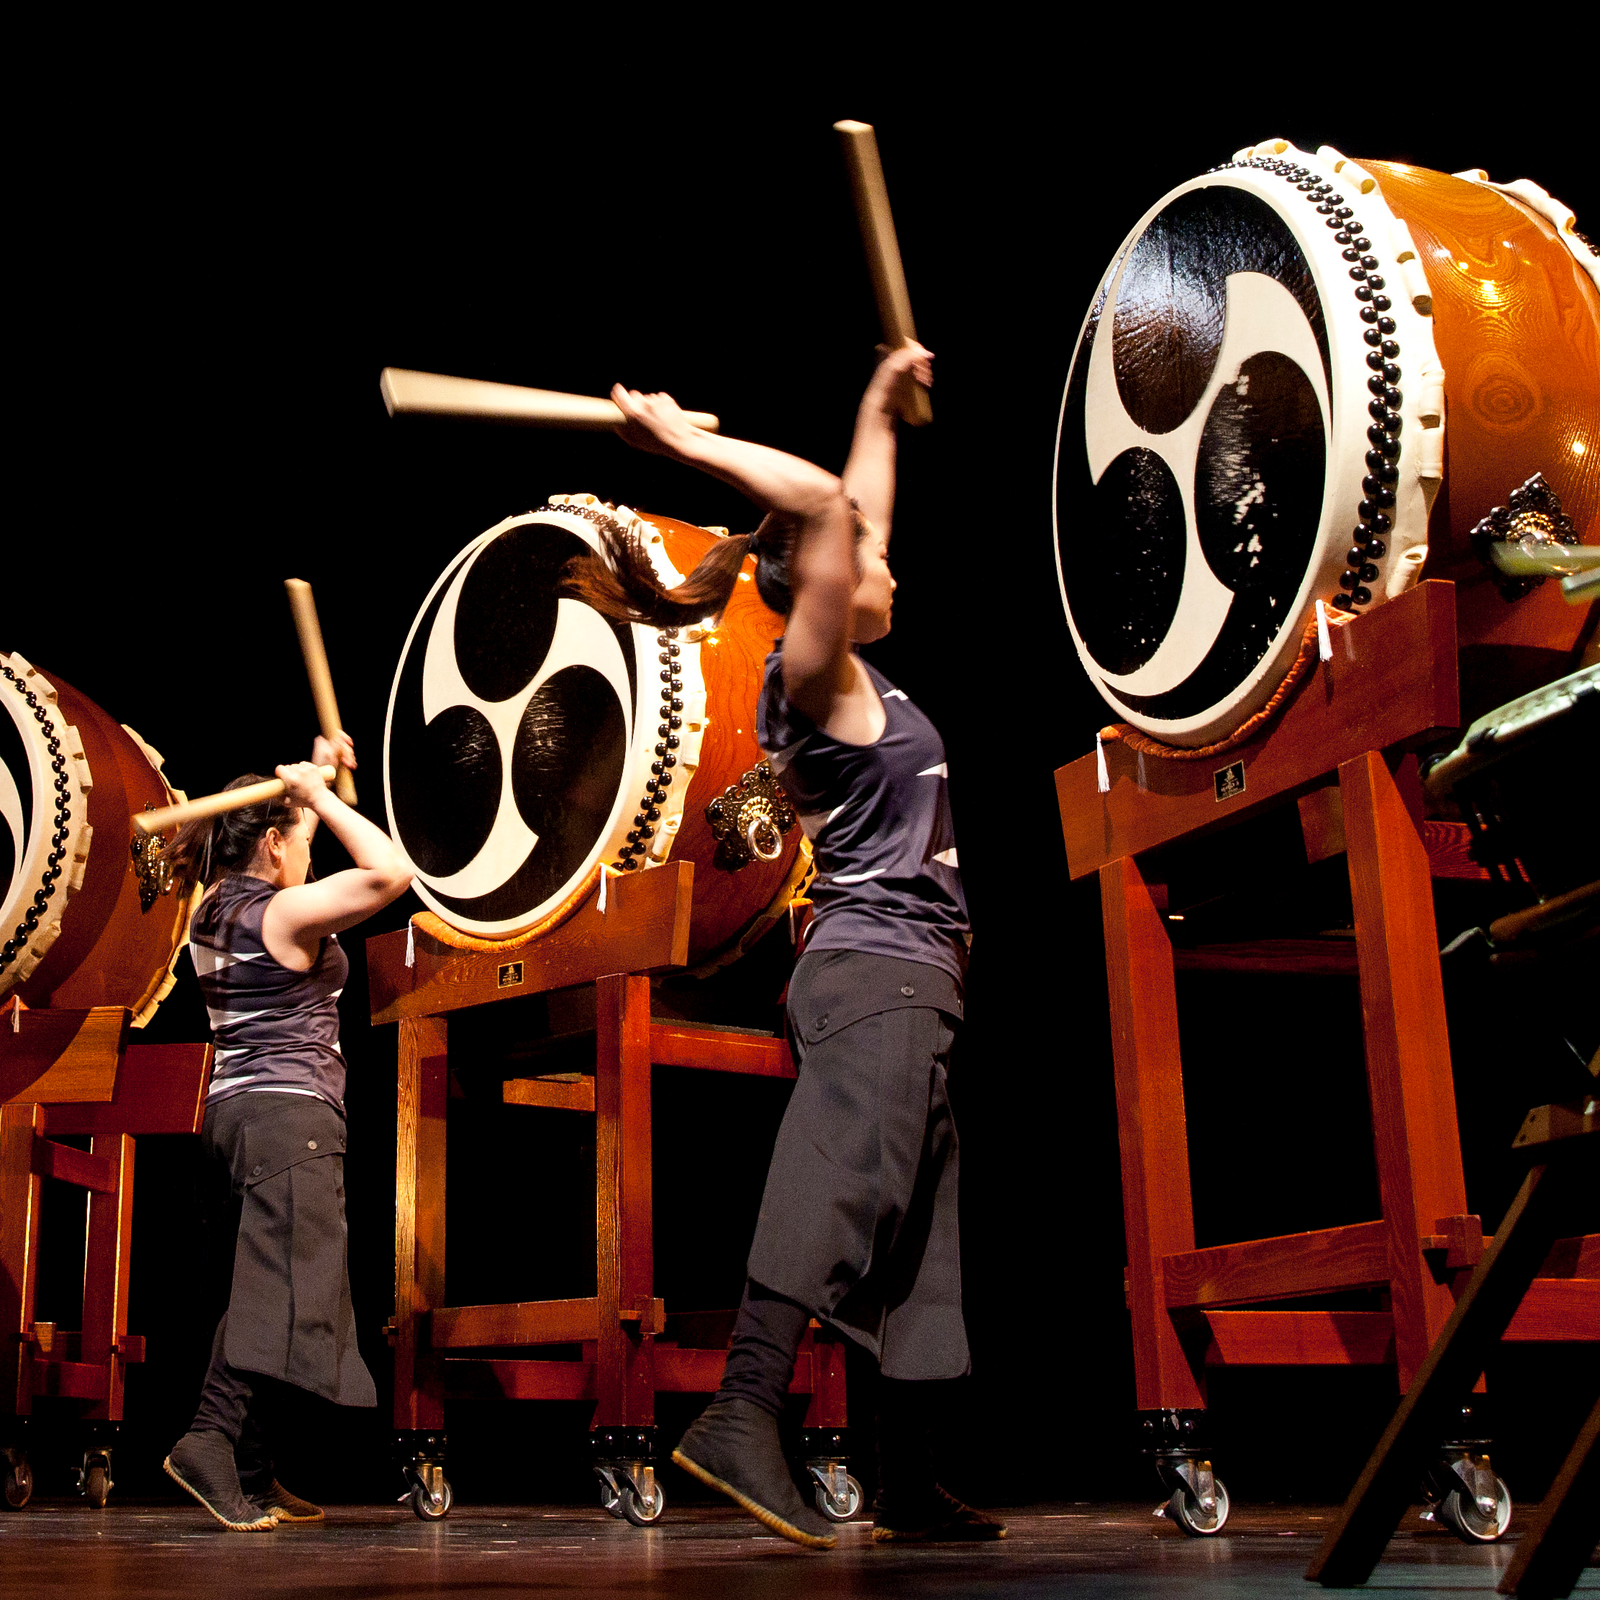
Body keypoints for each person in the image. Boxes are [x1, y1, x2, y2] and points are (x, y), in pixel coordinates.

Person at [565, 345, 1003, 1550]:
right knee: (841, 1191)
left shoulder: (853, 676)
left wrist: (875, 405)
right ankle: (741, 1412)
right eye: (866, 552)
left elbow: (846, 509)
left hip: (909, 977)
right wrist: (679, 444)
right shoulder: (810, 677)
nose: (885, 555)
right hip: (877, 969)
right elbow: (823, 508)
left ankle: (905, 1472)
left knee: (909, 1234)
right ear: (818, 574)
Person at [161, 736, 412, 1530]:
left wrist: (321, 783)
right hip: (288, 1117)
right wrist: (326, 798)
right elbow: (389, 874)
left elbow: (345, 869)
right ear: (271, 843)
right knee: (276, 1294)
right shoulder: (279, 910)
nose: (309, 854)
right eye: (300, 839)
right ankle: (208, 1439)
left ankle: (254, 1472)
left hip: (233, 1117)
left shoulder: (213, 910)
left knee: (255, 1292)